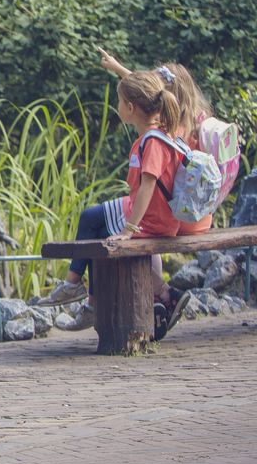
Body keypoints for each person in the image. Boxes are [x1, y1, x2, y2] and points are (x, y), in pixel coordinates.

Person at [36, 53, 209, 335]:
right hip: (157, 216)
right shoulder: (166, 132)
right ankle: (91, 295)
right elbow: (145, 92)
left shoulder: (152, 142)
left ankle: (77, 287)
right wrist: (119, 69)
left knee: (93, 222)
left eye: (119, 102)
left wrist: (130, 228)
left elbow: (148, 186)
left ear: (129, 108)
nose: (117, 105)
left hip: (151, 219)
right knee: (96, 224)